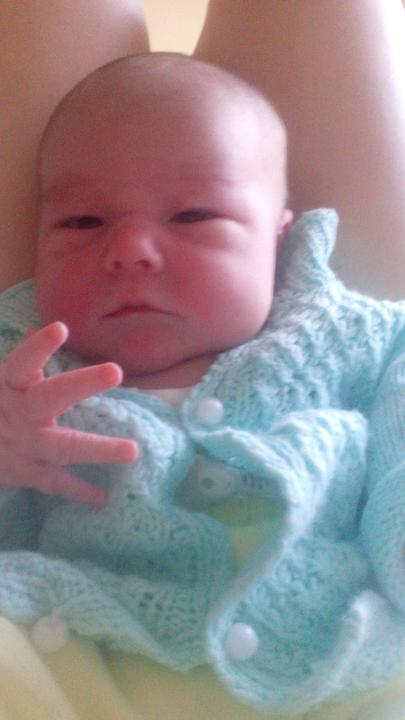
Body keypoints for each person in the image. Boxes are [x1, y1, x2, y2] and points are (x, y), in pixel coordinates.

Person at [0, 53, 405, 719]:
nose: (129, 249)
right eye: (82, 222)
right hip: (77, 661)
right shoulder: (22, 371)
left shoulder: (363, 342)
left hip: (331, 664)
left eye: (191, 216)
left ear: (277, 242)